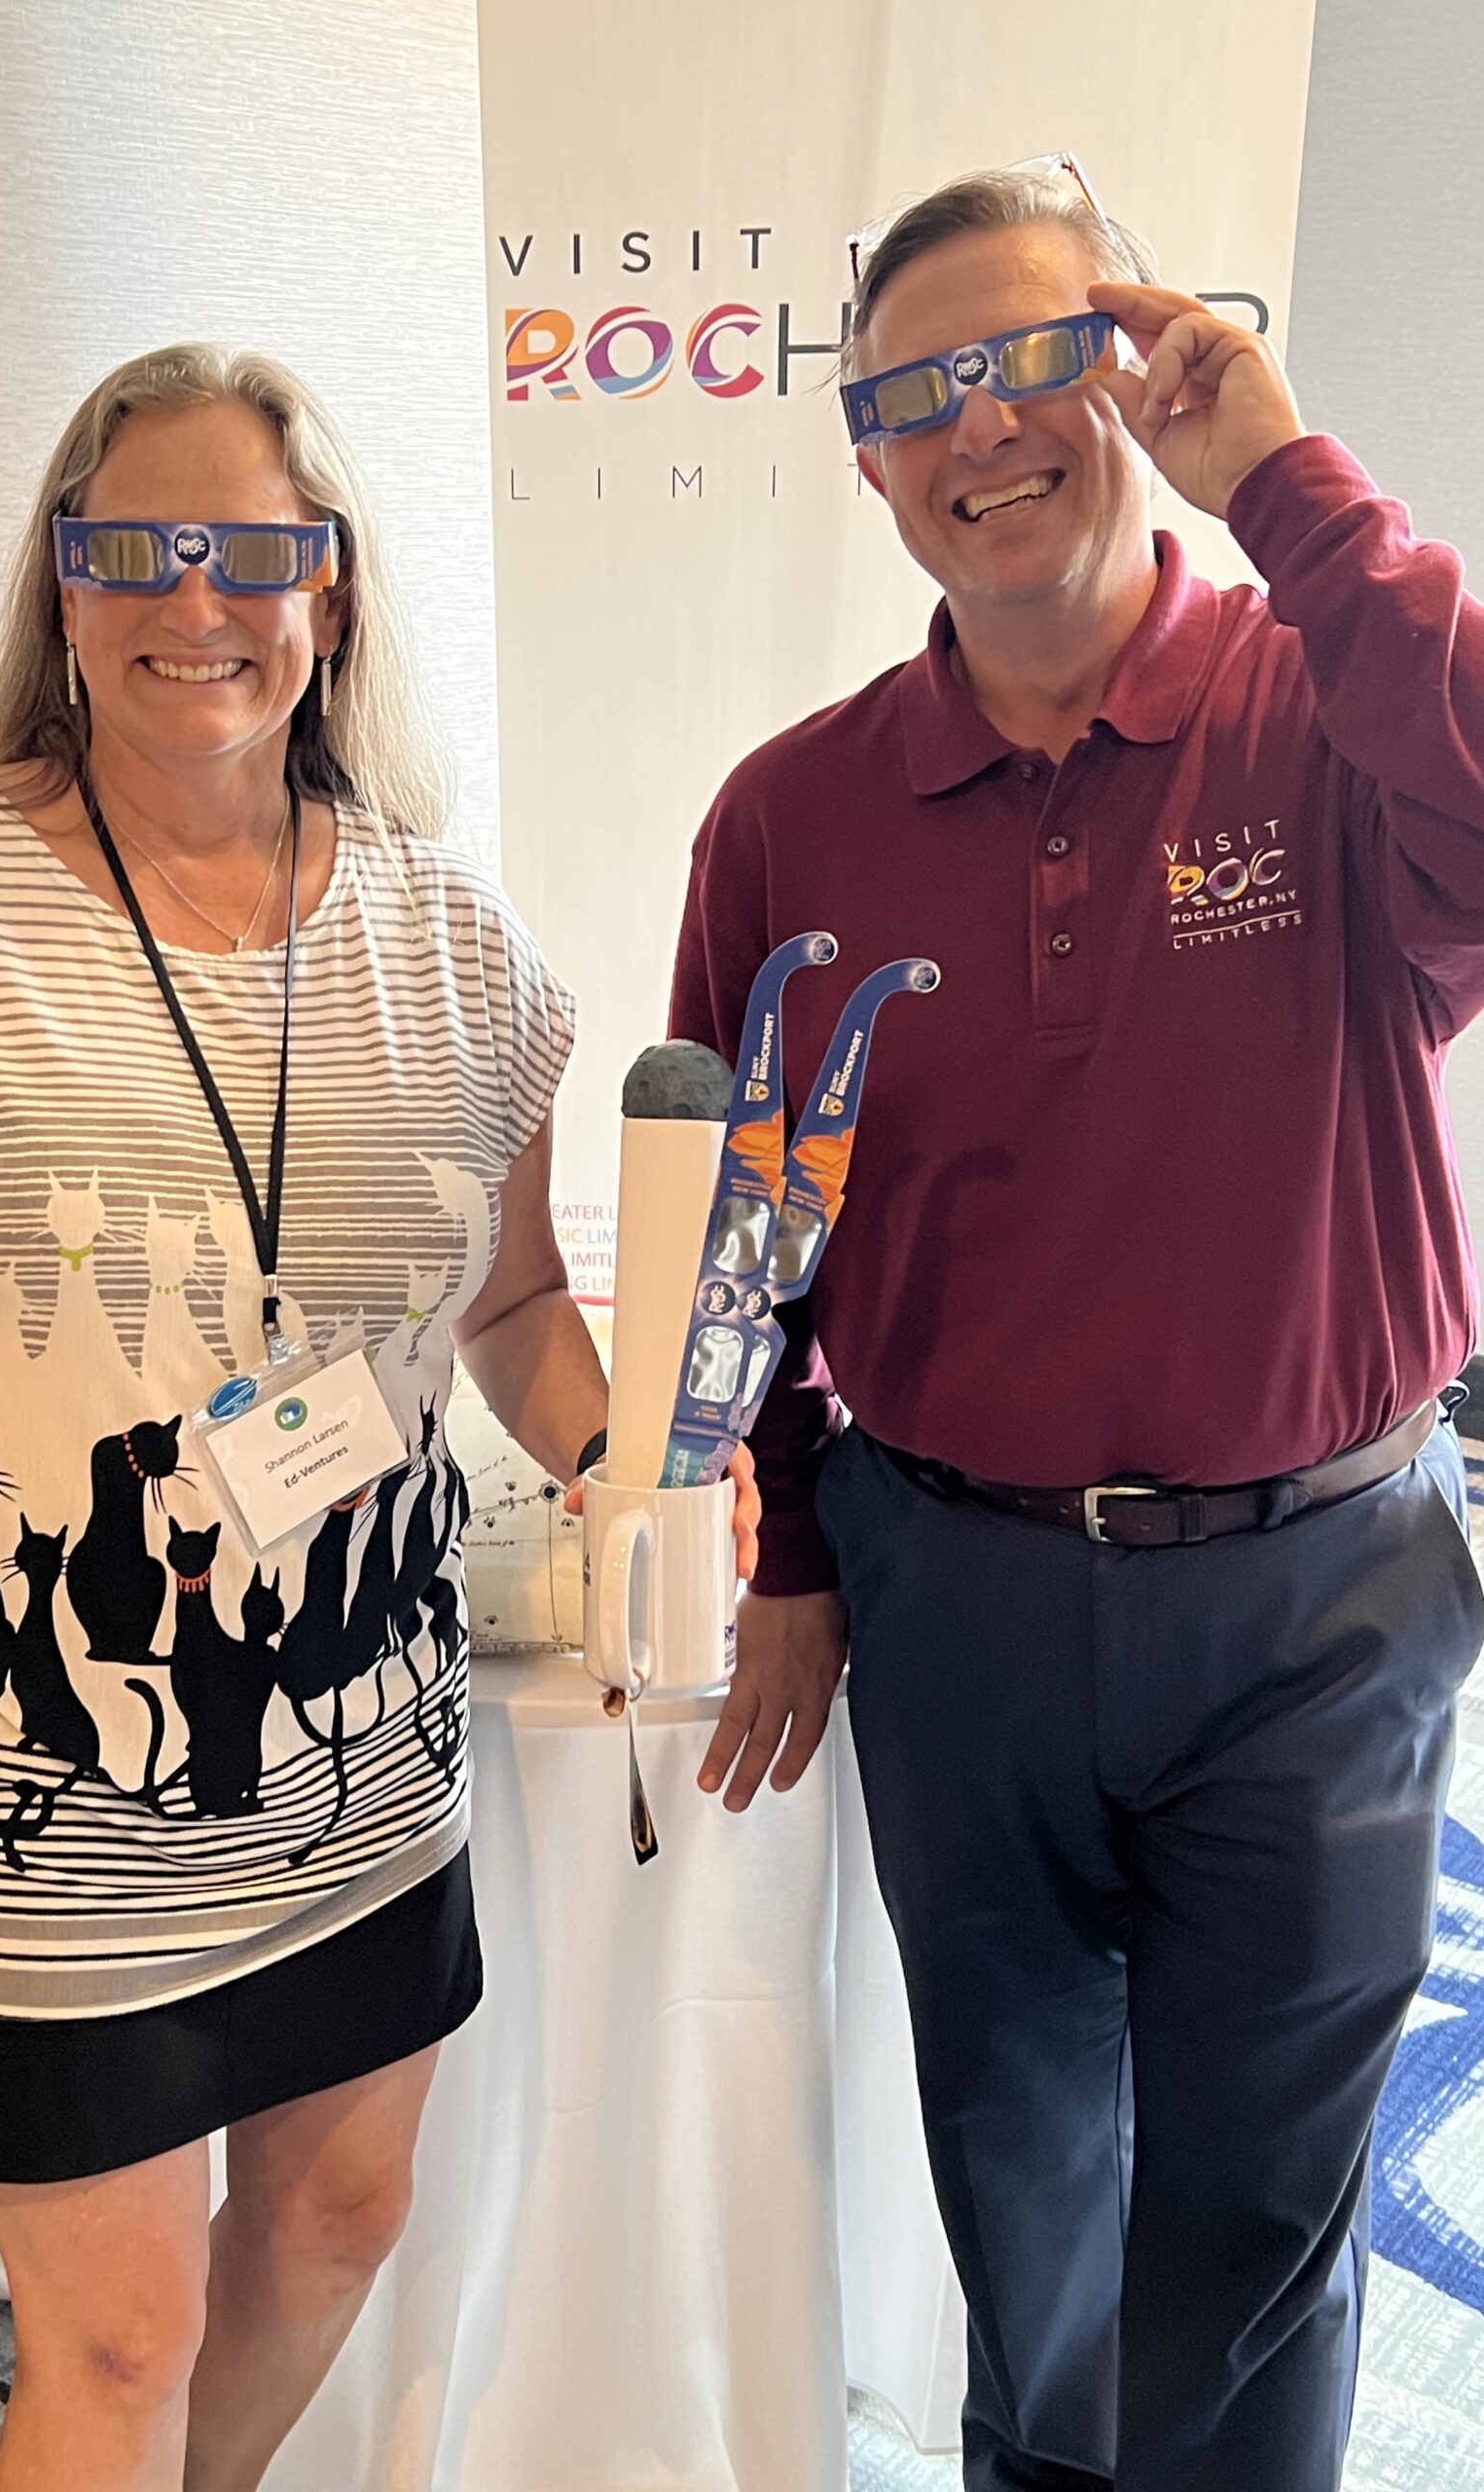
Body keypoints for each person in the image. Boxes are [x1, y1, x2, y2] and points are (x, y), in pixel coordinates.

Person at [0, 343, 638, 2492]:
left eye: (252, 547)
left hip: (359, 1746)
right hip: (39, 1780)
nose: (199, 600)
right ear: (63, 592)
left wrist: (648, 1455)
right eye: (134, 549)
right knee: (120, 2324)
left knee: (340, 2220)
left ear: (331, 591)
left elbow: (520, 1299)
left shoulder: (463, 951)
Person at [671, 161, 1484, 2492]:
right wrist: (801, 1551)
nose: (984, 427)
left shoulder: (1321, 712)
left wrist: (1292, 490)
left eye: (1035, 357)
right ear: (864, 457)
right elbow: (755, 1236)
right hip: (964, 1602)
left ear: (1135, 363)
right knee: (1023, 2195)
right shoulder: (788, 817)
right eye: (915, 393)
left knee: (1253, 2223)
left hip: (1314, 1594)